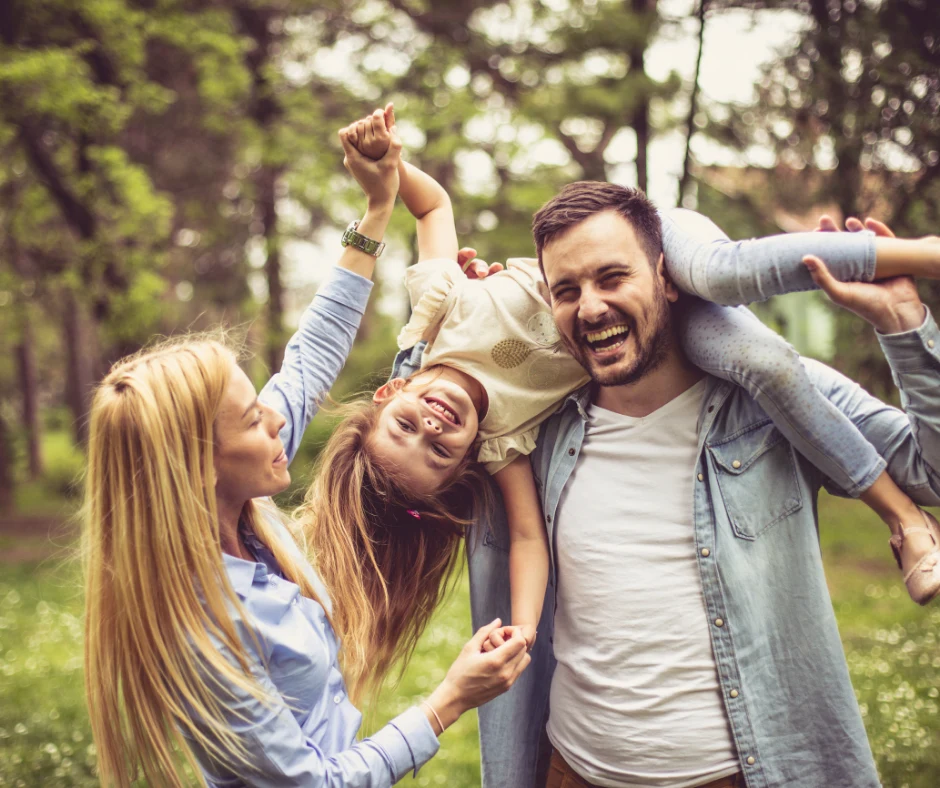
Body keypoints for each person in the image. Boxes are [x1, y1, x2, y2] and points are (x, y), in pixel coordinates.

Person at [314, 104, 939, 690]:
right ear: (464, 461)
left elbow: (432, 210)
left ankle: (924, 254)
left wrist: (388, 174)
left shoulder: (439, 310)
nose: (433, 427)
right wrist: (525, 628)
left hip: (641, 237)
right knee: (762, 362)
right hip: (649, 317)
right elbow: (529, 539)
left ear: (392, 391)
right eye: (439, 453)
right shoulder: (504, 441)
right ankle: (903, 516)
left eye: (405, 426)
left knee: (722, 273)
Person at [81, 120, 530, 788]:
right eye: (252, 417)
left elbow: (311, 356)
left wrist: (376, 210)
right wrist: (448, 702)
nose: (277, 414)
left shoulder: (240, 483)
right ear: (200, 465)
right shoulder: (203, 630)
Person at [460, 183, 940, 788]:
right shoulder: (538, 431)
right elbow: (416, 454)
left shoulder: (779, 401)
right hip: (572, 770)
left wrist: (904, 325)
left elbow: (931, 473)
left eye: (612, 278)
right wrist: (450, 334)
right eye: (567, 290)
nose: (590, 307)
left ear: (667, 278)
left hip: (742, 774)